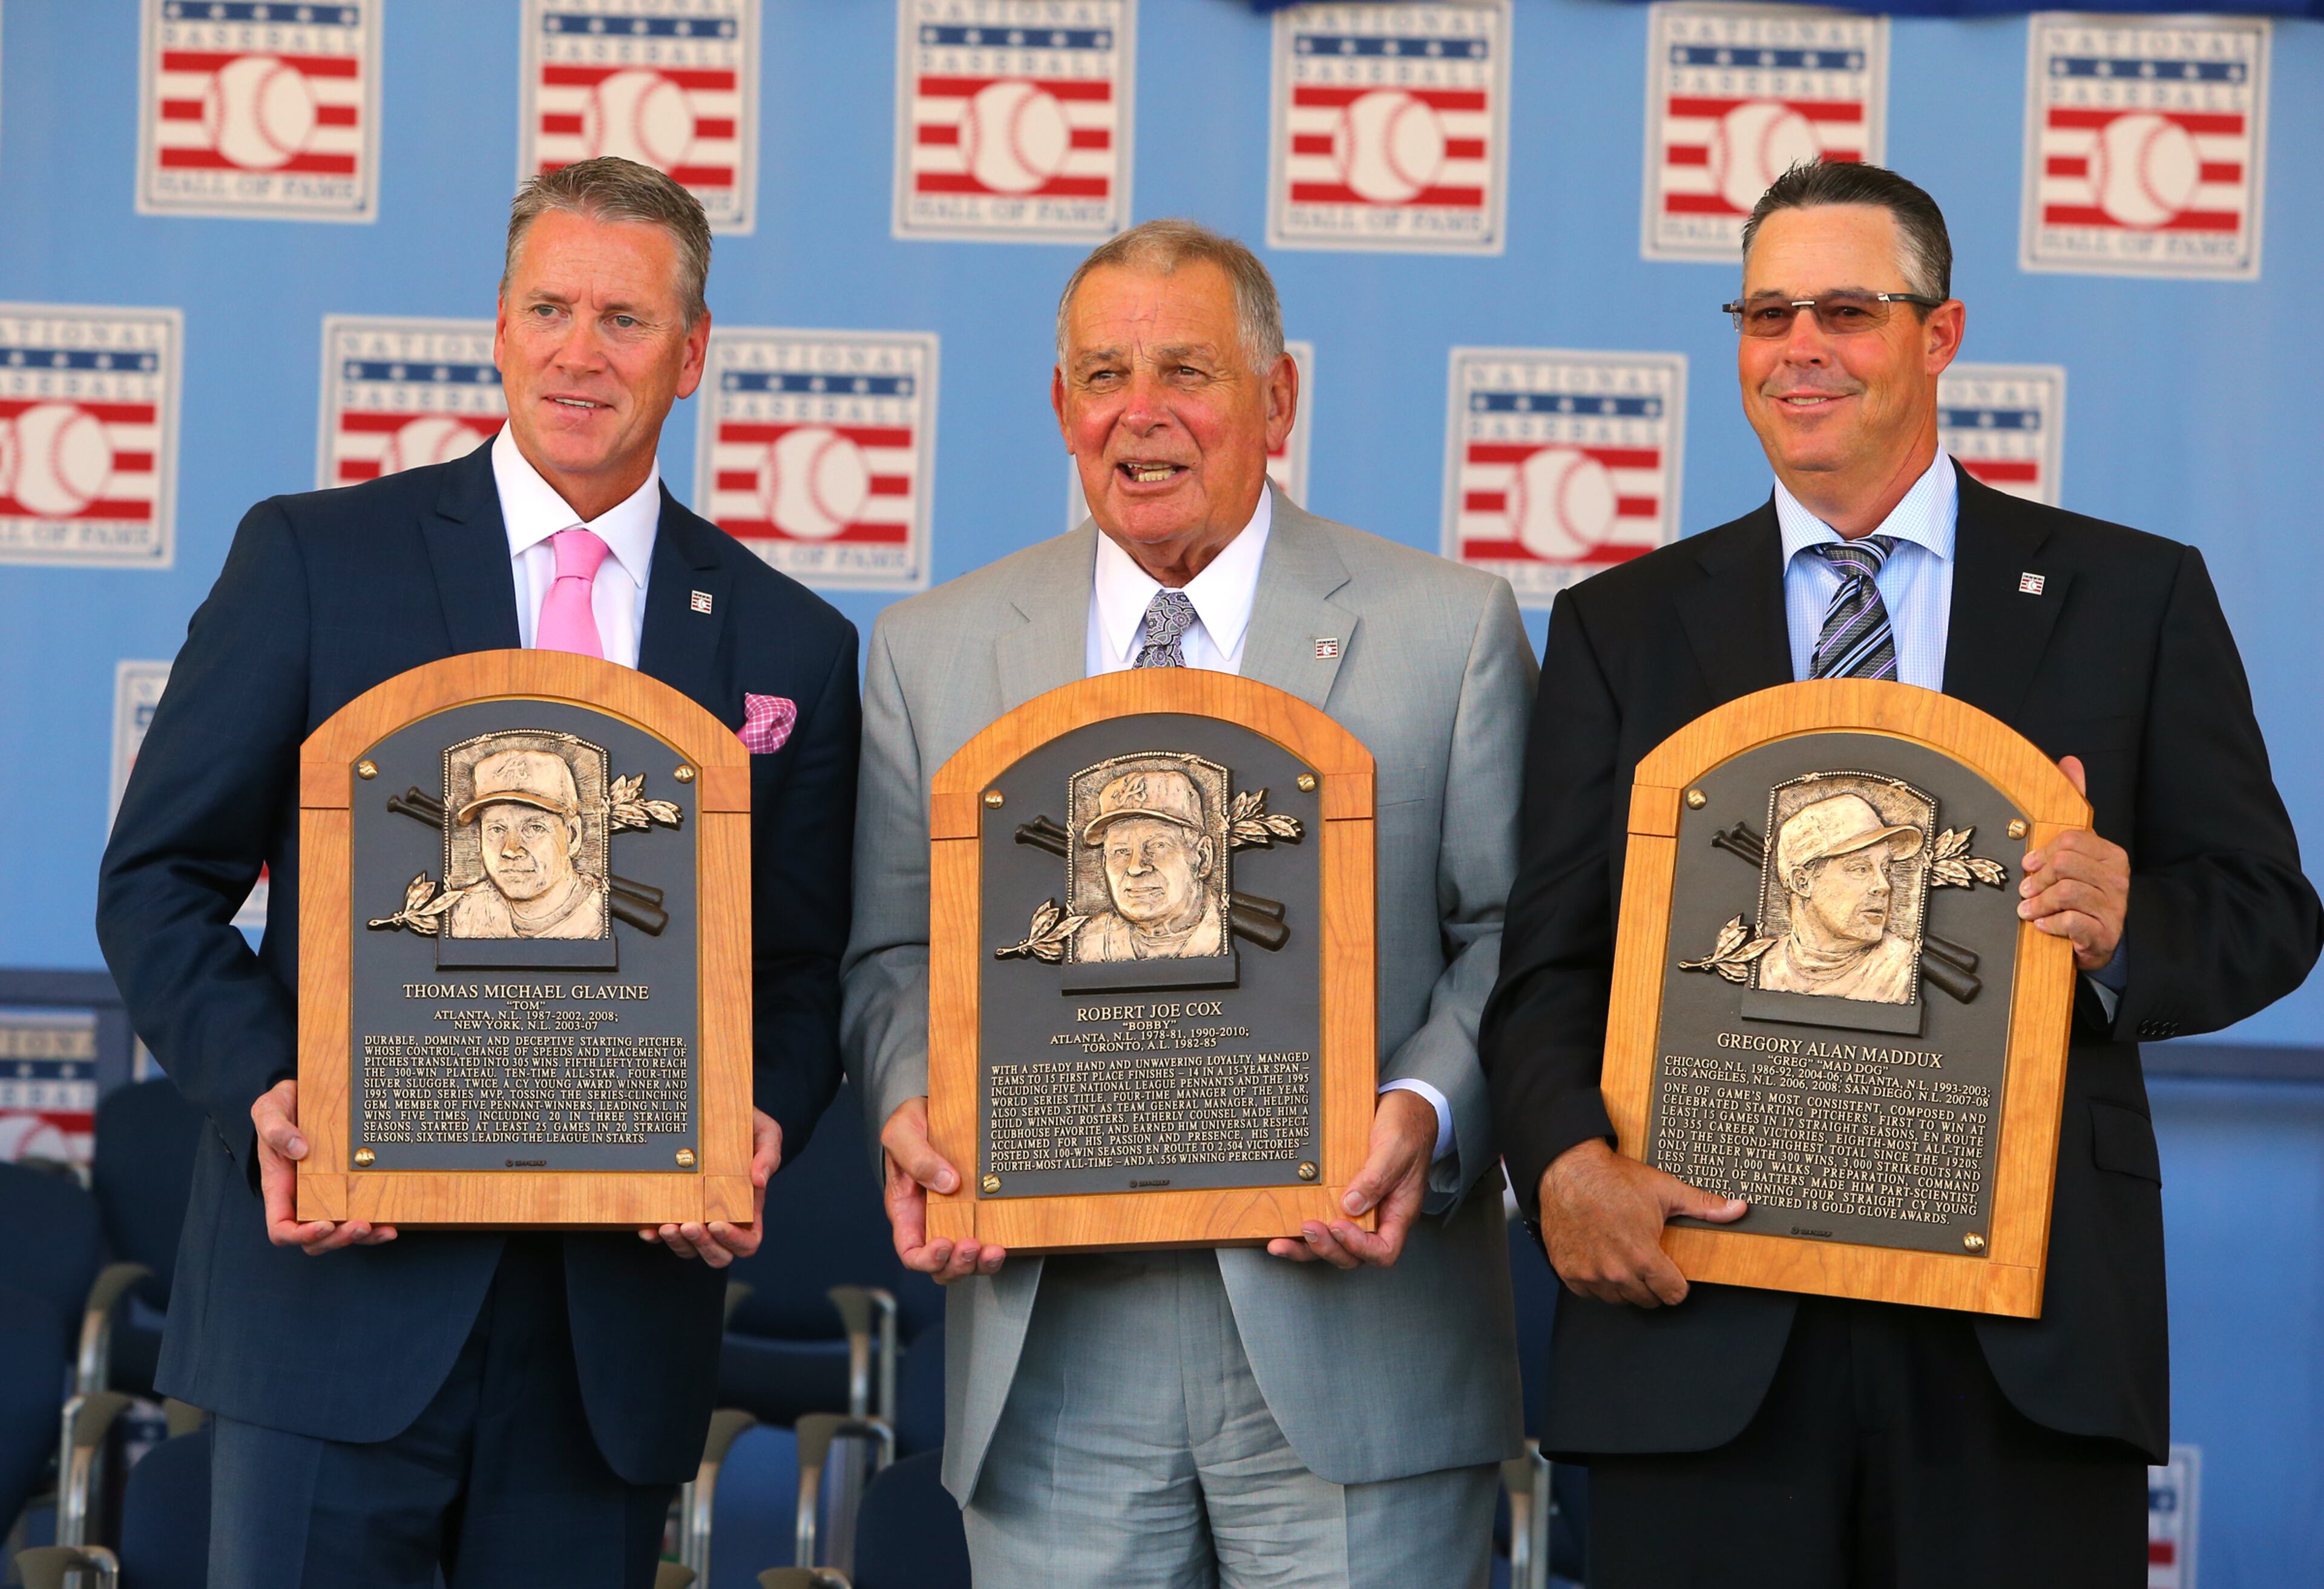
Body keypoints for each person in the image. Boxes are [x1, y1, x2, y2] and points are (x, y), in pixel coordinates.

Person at [1481, 160, 2321, 1586]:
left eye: (1845, 312)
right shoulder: (1620, 627)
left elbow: (2262, 910)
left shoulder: (2130, 595)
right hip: (1703, 1319)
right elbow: (1548, 960)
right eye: (1765, 314)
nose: (1798, 348)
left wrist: (2122, 928)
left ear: (1937, 335)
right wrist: (1563, 1159)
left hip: (2020, 1334)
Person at [96, 157, 860, 1589]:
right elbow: (159, 881)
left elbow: (800, 964)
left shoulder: (787, 641)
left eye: (627, 321)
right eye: (550, 309)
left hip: (606, 1340)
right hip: (338, 1299)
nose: (583, 353)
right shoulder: (317, 560)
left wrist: (755, 1116)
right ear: (496, 329)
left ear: (690, 355)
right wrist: (277, 1093)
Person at [844, 219, 1533, 1588]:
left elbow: (1513, 935)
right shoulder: (931, 652)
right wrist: (919, 1101)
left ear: (1275, 400)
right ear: (1058, 407)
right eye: (1102, 375)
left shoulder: (1445, 630)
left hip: (1357, 1343)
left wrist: (1424, 1112)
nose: (1140, 416)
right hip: (1054, 1364)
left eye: (1188, 372)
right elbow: (891, 953)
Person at [1756, 791, 1922, 1002]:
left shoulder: (1904, 971)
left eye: (1886, 869)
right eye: (1861, 869)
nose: (1884, 886)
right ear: (1802, 883)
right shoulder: (1763, 967)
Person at [447, 748, 609, 942]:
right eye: (497, 830)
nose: (510, 850)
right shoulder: (464, 913)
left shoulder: (600, 920)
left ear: (572, 836)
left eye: (534, 828)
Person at [1072, 767, 1228, 962]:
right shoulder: (1088, 943)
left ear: (1202, 857)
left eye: (1157, 846)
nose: (1135, 868)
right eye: (1121, 851)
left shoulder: (1225, 936)